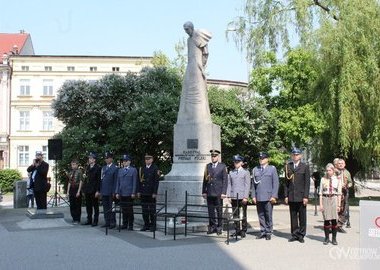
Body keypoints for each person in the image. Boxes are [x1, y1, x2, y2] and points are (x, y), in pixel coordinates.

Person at [177, 21, 212, 123]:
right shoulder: (188, 40)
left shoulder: (199, 36)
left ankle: (201, 117)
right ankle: (188, 116)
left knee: (199, 90)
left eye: (187, 29)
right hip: (190, 67)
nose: (186, 32)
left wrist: (202, 64)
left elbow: (206, 52)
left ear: (191, 28)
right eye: (185, 30)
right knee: (187, 91)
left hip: (197, 66)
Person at [284, 148, 310, 243]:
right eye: (293, 155)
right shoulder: (288, 166)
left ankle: (301, 235)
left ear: (300, 156)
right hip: (291, 196)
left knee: (302, 216)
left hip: (301, 196)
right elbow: (286, 183)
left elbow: (307, 183)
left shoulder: (305, 167)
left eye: (297, 154)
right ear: (292, 156)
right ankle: (294, 234)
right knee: (293, 216)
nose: (295, 156)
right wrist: (286, 195)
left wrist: (306, 197)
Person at [252, 152, 279, 240]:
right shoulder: (255, 169)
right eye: (260, 158)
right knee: (261, 215)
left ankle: (268, 231)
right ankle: (262, 231)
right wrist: (253, 196)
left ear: (267, 159)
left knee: (268, 215)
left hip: (268, 196)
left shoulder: (272, 169)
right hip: (259, 196)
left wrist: (274, 196)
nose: (261, 160)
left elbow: (275, 183)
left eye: (263, 158)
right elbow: (253, 185)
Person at [202, 149, 228, 235]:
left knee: (219, 211)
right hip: (209, 192)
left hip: (218, 193)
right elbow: (205, 180)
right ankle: (212, 226)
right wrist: (204, 191)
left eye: (215, 156)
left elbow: (225, 180)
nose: (213, 158)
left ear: (218, 157)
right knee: (211, 211)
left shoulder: (222, 166)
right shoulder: (208, 166)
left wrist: (224, 192)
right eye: (212, 156)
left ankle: (219, 227)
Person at [227, 154, 251, 238]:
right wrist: (229, 196)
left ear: (241, 163)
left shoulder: (246, 172)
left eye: (237, 162)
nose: (236, 163)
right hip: (234, 196)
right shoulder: (231, 172)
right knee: (235, 214)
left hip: (242, 196)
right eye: (234, 162)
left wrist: (246, 197)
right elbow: (229, 185)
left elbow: (247, 185)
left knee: (243, 214)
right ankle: (237, 230)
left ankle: (243, 230)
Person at [319, 163, 342, 245]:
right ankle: (326, 238)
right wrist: (321, 204)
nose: (328, 172)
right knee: (326, 219)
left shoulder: (337, 179)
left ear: (333, 170)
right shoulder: (323, 179)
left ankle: (334, 238)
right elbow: (320, 193)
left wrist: (339, 205)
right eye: (327, 170)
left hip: (334, 199)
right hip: (325, 199)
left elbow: (339, 193)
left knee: (334, 220)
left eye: (330, 170)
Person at [138, 154, 160, 231]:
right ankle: (146, 224)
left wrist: (155, 192)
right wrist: (139, 191)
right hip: (143, 192)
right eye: (146, 159)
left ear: (152, 160)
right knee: (144, 210)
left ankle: (153, 225)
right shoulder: (142, 168)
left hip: (151, 193)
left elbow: (156, 182)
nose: (147, 160)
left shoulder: (155, 168)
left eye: (148, 159)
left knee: (152, 210)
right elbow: (139, 182)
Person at [115, 154, 138, 230]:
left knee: (129, 209)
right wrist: (117, 192)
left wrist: (133, 192)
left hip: (129, 193)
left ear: (129, 162)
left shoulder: (133, 170)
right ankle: (124, 224)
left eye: (126, 161)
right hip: (122, 192)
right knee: (123, 209)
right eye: (123, 161)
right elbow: (118, 182)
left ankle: (130, 225)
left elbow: (135, 182)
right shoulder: (120, 170)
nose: (124, 162)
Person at [82, 152, 101, 226]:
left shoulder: (98, 168)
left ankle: (95, 221)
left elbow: (99, 180)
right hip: (88, 189)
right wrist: (84, 189)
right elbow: (85, 179)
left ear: (94, 160)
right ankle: (89, 219)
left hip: (94, 190)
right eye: (89, 158)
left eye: (91, 158)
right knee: (88, 206)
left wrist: (97, 190)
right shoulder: (87, 167)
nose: (89, 159)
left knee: (95, 206)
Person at [100, 151, 118, 229]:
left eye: (107, 158)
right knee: (105, 207)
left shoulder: (115, 168)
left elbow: (116, 181)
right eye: (105, 158)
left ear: (111, 159)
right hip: (104, 191)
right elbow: (101, 180)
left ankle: (112, 222)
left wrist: (114, 191)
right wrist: (101, 191)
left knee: (112, 208)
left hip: (111, 191)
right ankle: (107, 221)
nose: (106, 160)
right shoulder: (103, 168)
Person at [337, 158, 352, 232]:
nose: (340, 164)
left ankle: (339, 225)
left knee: (344, 210)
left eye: (342, 163)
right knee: (336, 209)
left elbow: (350, 182)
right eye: (339, 163)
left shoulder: (347, 172)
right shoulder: (334, 172)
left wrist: (348, 185)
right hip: (336, 193)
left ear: (344, 164)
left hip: (344, 192)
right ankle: (334, 225)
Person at [66, 159, 83, 224]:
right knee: (72, 204)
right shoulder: (70, 172)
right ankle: (74, 217)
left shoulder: (79, 172)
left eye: (74, 164)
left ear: (77, 165)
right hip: (72, 190)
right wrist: (67, 191)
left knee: (77, 205)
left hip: (77, 188)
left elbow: (81, 181)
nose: (72, 166)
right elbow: (69, 182)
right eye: (72, 165)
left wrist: (78, 191)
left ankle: (77, 219)